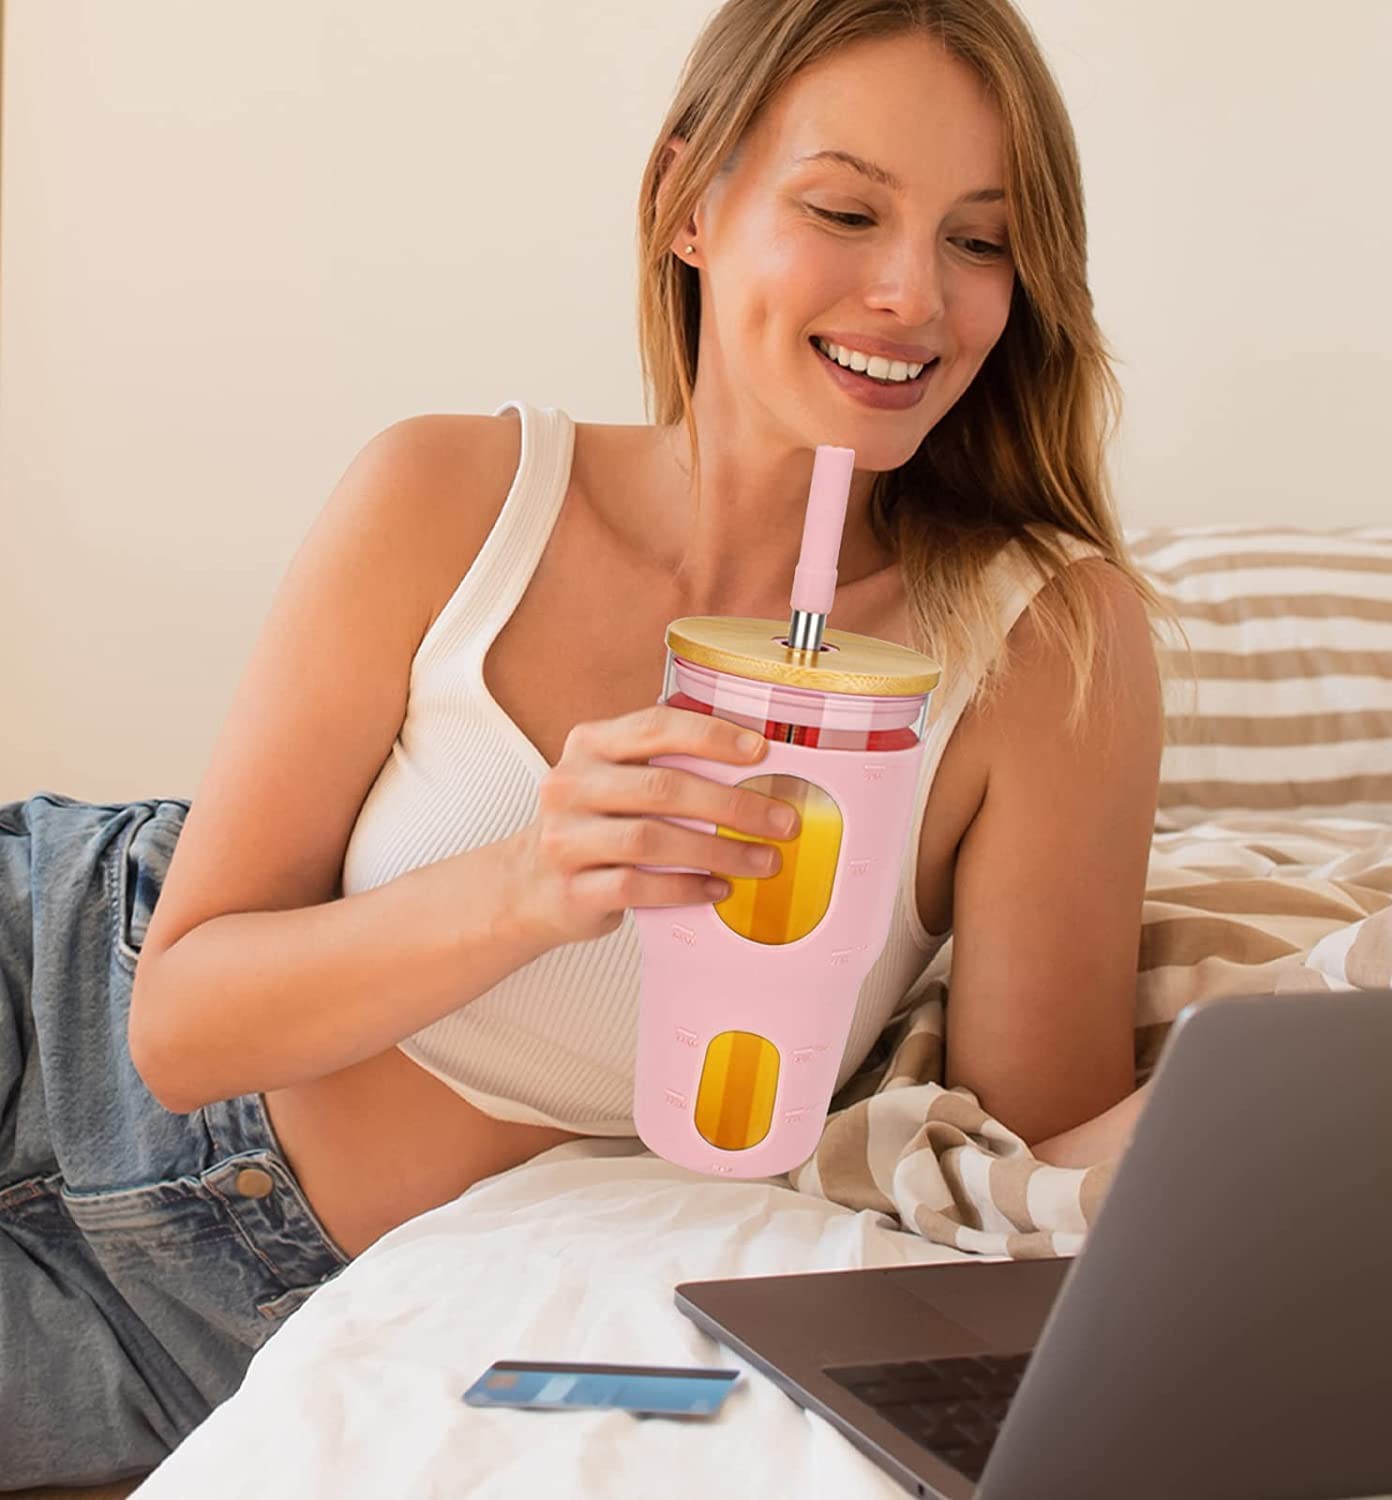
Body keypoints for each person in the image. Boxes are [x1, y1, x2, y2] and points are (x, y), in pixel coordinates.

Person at [0, 0, 1180, 1487]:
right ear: (689, 203)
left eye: (980, 239)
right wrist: (529, 882)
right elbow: (178, 1026)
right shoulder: (453, 493)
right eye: (843, 211)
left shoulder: (1043, 648)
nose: (911, 295)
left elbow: (1021, 1176)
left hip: (259, 1322)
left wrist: (1315, 1104)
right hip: (63, 970)